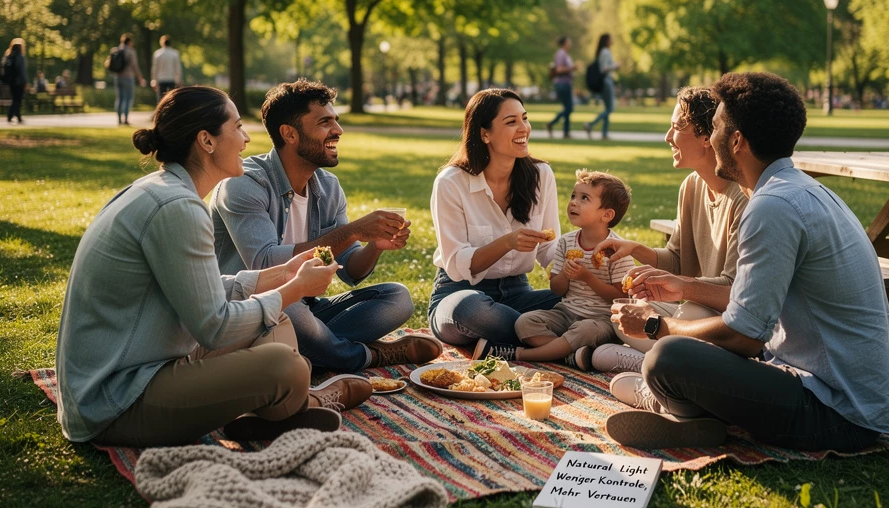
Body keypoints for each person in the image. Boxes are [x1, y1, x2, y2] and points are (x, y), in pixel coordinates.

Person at [55, 86, 372, 449]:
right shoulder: (177, 208)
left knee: (279, 322)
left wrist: (280, 275)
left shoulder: (165, 191)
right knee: (286, 367)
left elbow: (202, 288)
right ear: (206, 141)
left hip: (149, 360)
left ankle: (276, 411)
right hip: (116, 401)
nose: (247, 138)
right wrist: (295, 289)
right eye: (237, 127)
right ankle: (303, 404)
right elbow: (214, 327)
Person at [604, 71, 889, 453]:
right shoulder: (799, 189)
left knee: (668, 356)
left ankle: (682, 412)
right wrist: (680, 295)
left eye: (714, 128)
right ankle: (691, 415)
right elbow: (750, 315)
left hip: (838, 413)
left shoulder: (771, 207)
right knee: (687, 342)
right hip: (826, 390)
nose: (710, 138)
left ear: (737, 141)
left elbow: (743, 337)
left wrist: (655, 325)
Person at [212, 79, 438, 372]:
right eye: (325, 122)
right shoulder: (244, 184)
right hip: (249, 310)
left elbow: (351, 271)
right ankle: (365, 356)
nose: (338, 130)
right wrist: (353, 231)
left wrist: (374, 246)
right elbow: (265, 262)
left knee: (397, 298)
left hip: (306, 309)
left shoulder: (328, 187)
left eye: (336, 120)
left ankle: (311, 350)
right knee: (292, 310)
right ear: (289, 134)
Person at [588, 86, 749, 381]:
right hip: (692, 308)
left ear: (706, 137)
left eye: (676, 127)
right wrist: (635, 249)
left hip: (720, 318)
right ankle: (659, 364)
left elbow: (733, 288)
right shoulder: (691, 186)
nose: (667, 137)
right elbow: (676, 259)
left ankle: (659, 365)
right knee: (623, 312)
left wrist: (680, 287)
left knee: (689, 314)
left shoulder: (742, 197)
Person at [429, 88, 562, 348]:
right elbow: (456, 263)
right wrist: (507, 242)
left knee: (589, 304)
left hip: (518, 294)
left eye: (525, 118)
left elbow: (549, 249)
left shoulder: (541, 174)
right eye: (511, 122)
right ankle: (551, 339)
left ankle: (515, 342)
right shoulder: (451, 182)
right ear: (484, 134)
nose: (524, 128)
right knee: (469, 310)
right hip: (460, 293)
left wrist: (586, 270)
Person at [473, 170, 633, 368]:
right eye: (573, 196)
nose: (573, 202)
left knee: (585, 331)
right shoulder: (566, 242)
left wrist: (587, 277)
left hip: (600, 320)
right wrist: (565, 274)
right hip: (566, 312)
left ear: (607, 214)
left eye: (584, 198)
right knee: (525, 322)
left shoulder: (617, 248)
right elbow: (557, 290)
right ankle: (569, 355)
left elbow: (621, 298)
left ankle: (519, 354)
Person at [584, 33, 619, 139]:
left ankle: (604, 133)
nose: (612, 40)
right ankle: (590, 124)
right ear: (607, 40)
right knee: (610, 108)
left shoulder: (603, 52)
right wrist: (615, 66)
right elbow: (604, 68)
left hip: (606, 81)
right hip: (606, 81)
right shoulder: (605, 52)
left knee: (607, 108)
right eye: (611, 39)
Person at [105, 32, 145, 125]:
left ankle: (119, 119)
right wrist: (140, 77)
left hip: (118, 77)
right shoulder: (131, 51)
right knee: (128, 98)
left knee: (119, 98)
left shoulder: (116, 50)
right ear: (129, 41)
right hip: (128, 77)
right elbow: (135, 65)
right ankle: (126, 119)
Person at [546, 36, 575, 139]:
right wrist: (572, 68)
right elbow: (559, 70)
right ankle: (552, 123)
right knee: (569, 108)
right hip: (563, 83)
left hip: (566, 83)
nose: (570, 44)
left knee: (568, 108)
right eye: (569, 42)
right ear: (565, 43)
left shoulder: (564, 54)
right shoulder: (561, 54)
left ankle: (565, 131)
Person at [0, 38, 28, 123]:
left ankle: (13, 116)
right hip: (19, 82)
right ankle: (15, 116)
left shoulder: (8, 56)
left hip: (11, 82)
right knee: (18, 99)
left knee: (15, 99)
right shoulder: (20, 57)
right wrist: (25, 82)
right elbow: (22, 71)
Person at [151, 35, 184, 100]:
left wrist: (153, 80)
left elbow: (155, 68)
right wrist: (179, 80)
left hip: (161, 79)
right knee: (172, 98)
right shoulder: (174, 54)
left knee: (161, 99)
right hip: (171, 79)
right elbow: (178, 68)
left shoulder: (158, 54)